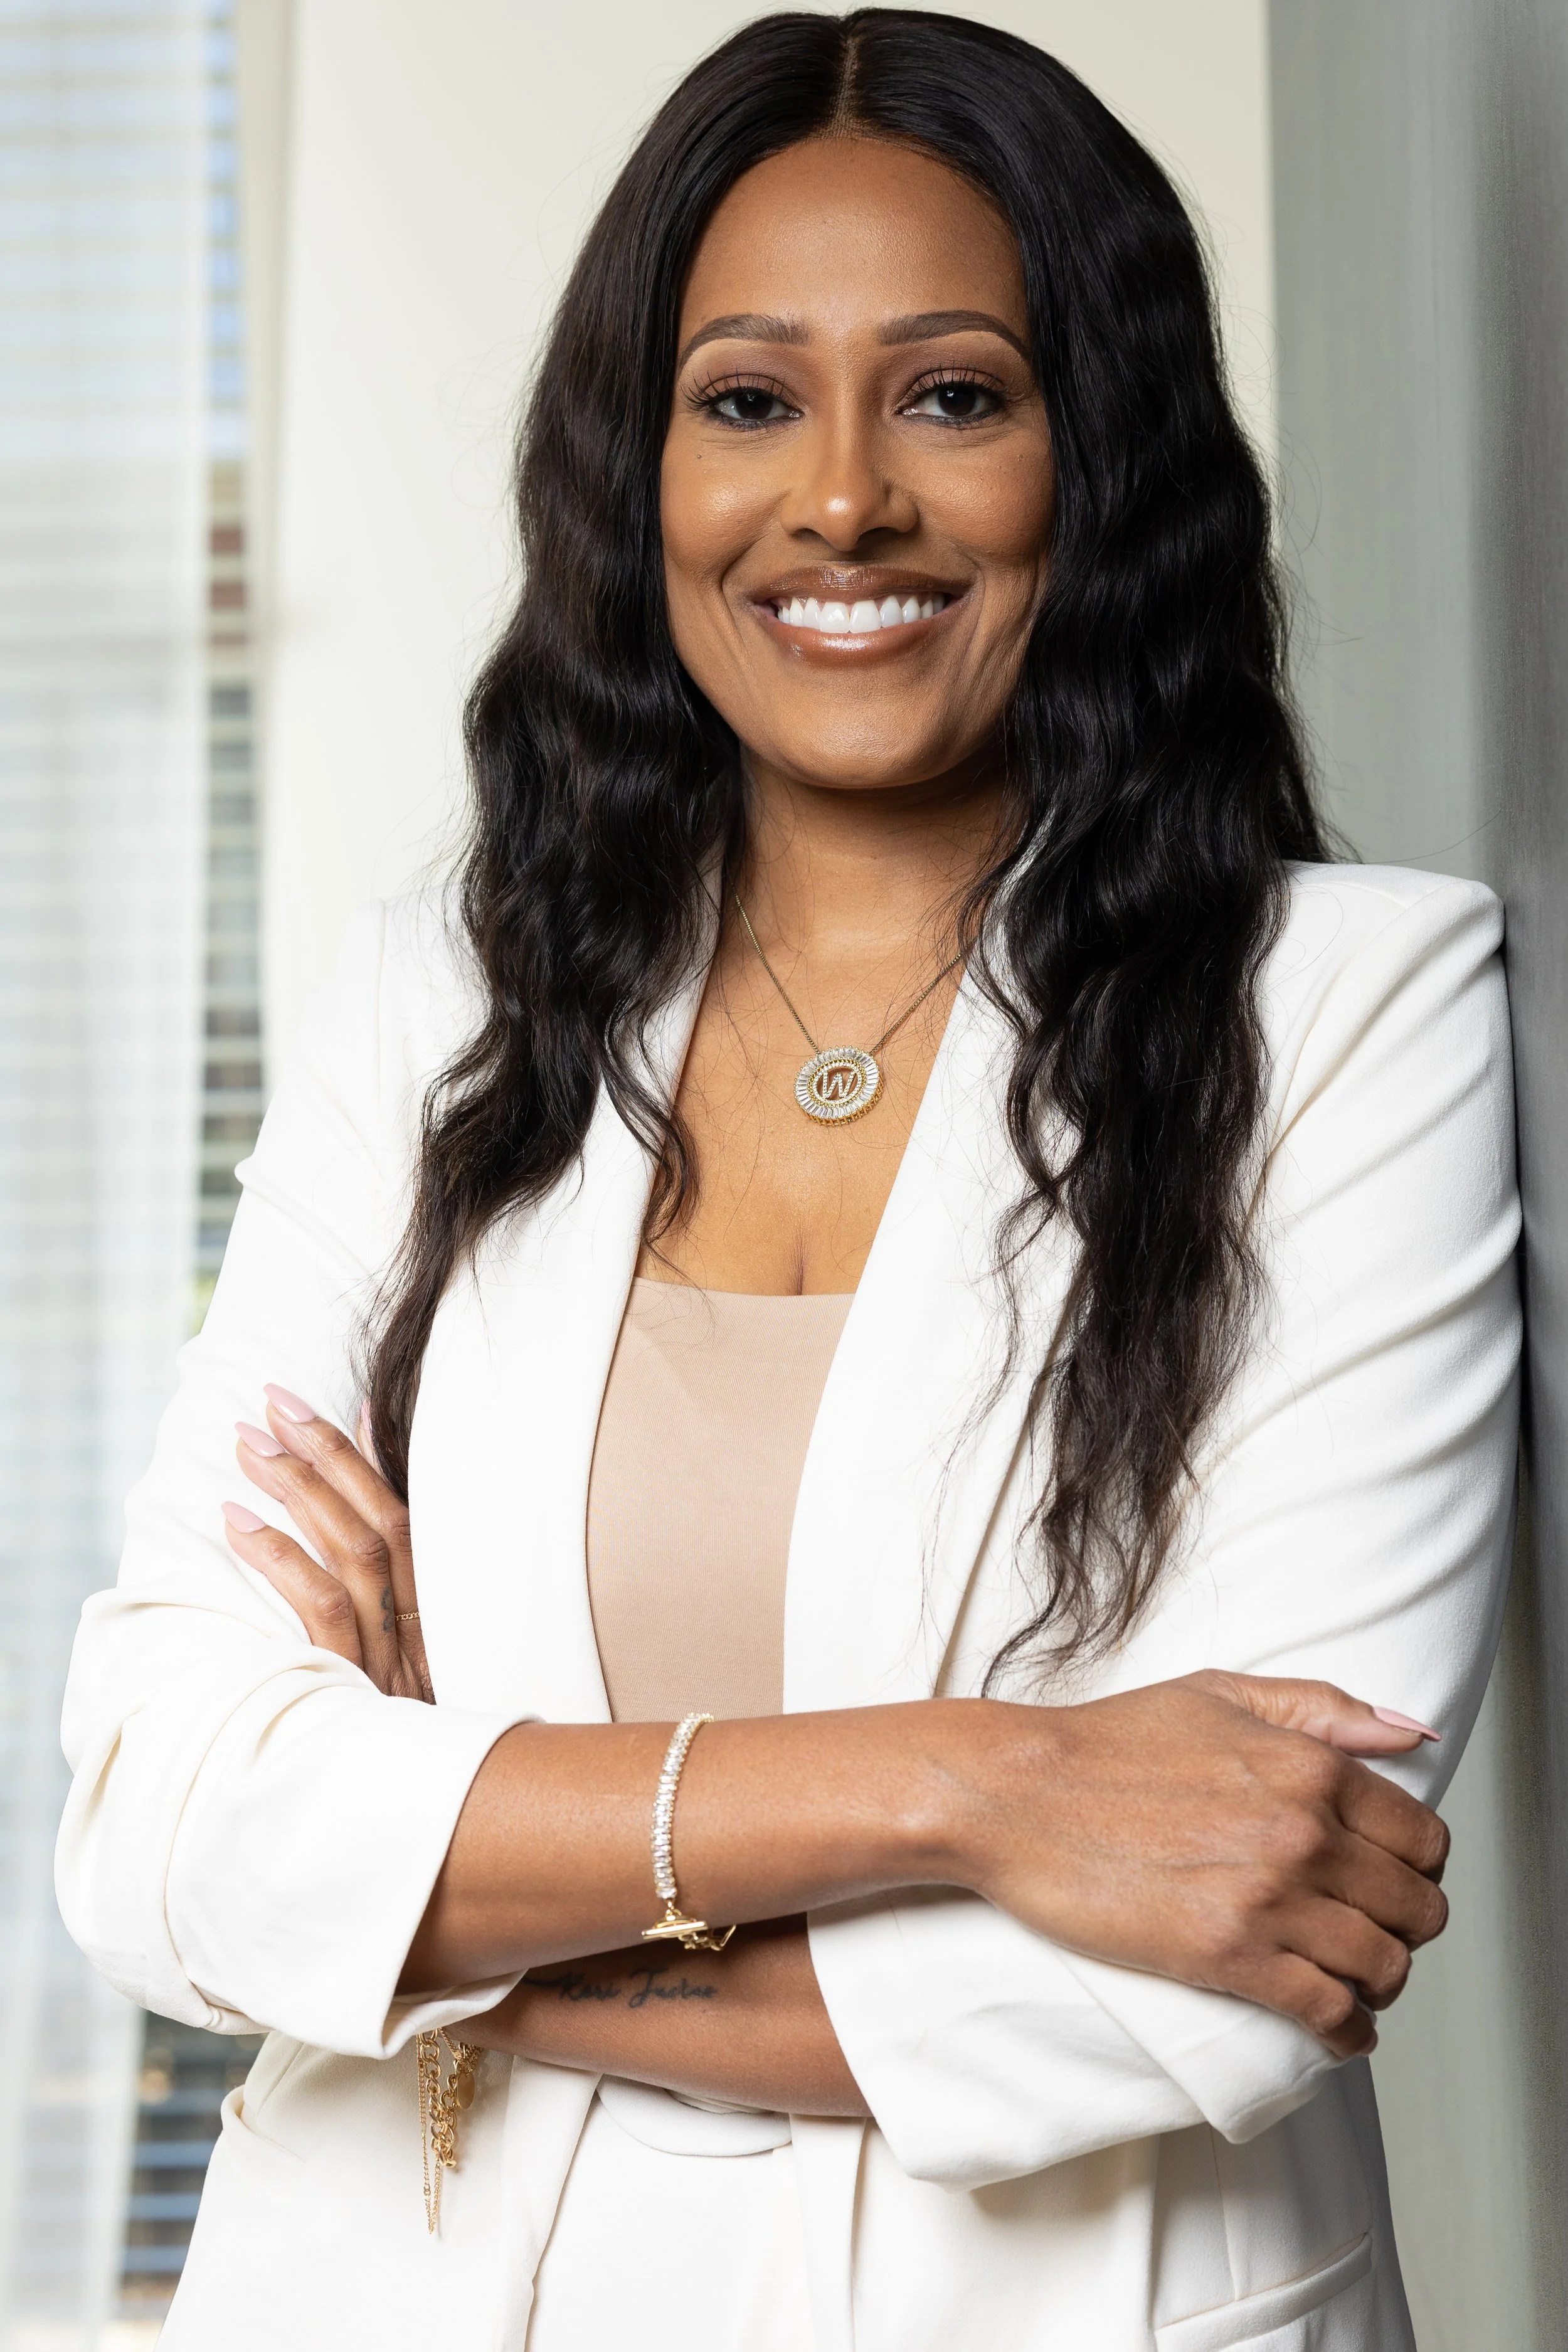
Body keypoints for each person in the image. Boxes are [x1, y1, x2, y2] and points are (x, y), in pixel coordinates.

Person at [56, 12, 1519, 2350]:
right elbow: (158, 1828)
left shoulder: (1344, 1017)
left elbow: (1225, 1957)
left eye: (952, 395)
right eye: (746, 400)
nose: (839, 502)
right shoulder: (434, 1001)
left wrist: (434, 1890)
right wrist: (984, 1785)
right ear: (637, 468)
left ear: (1100, 456)